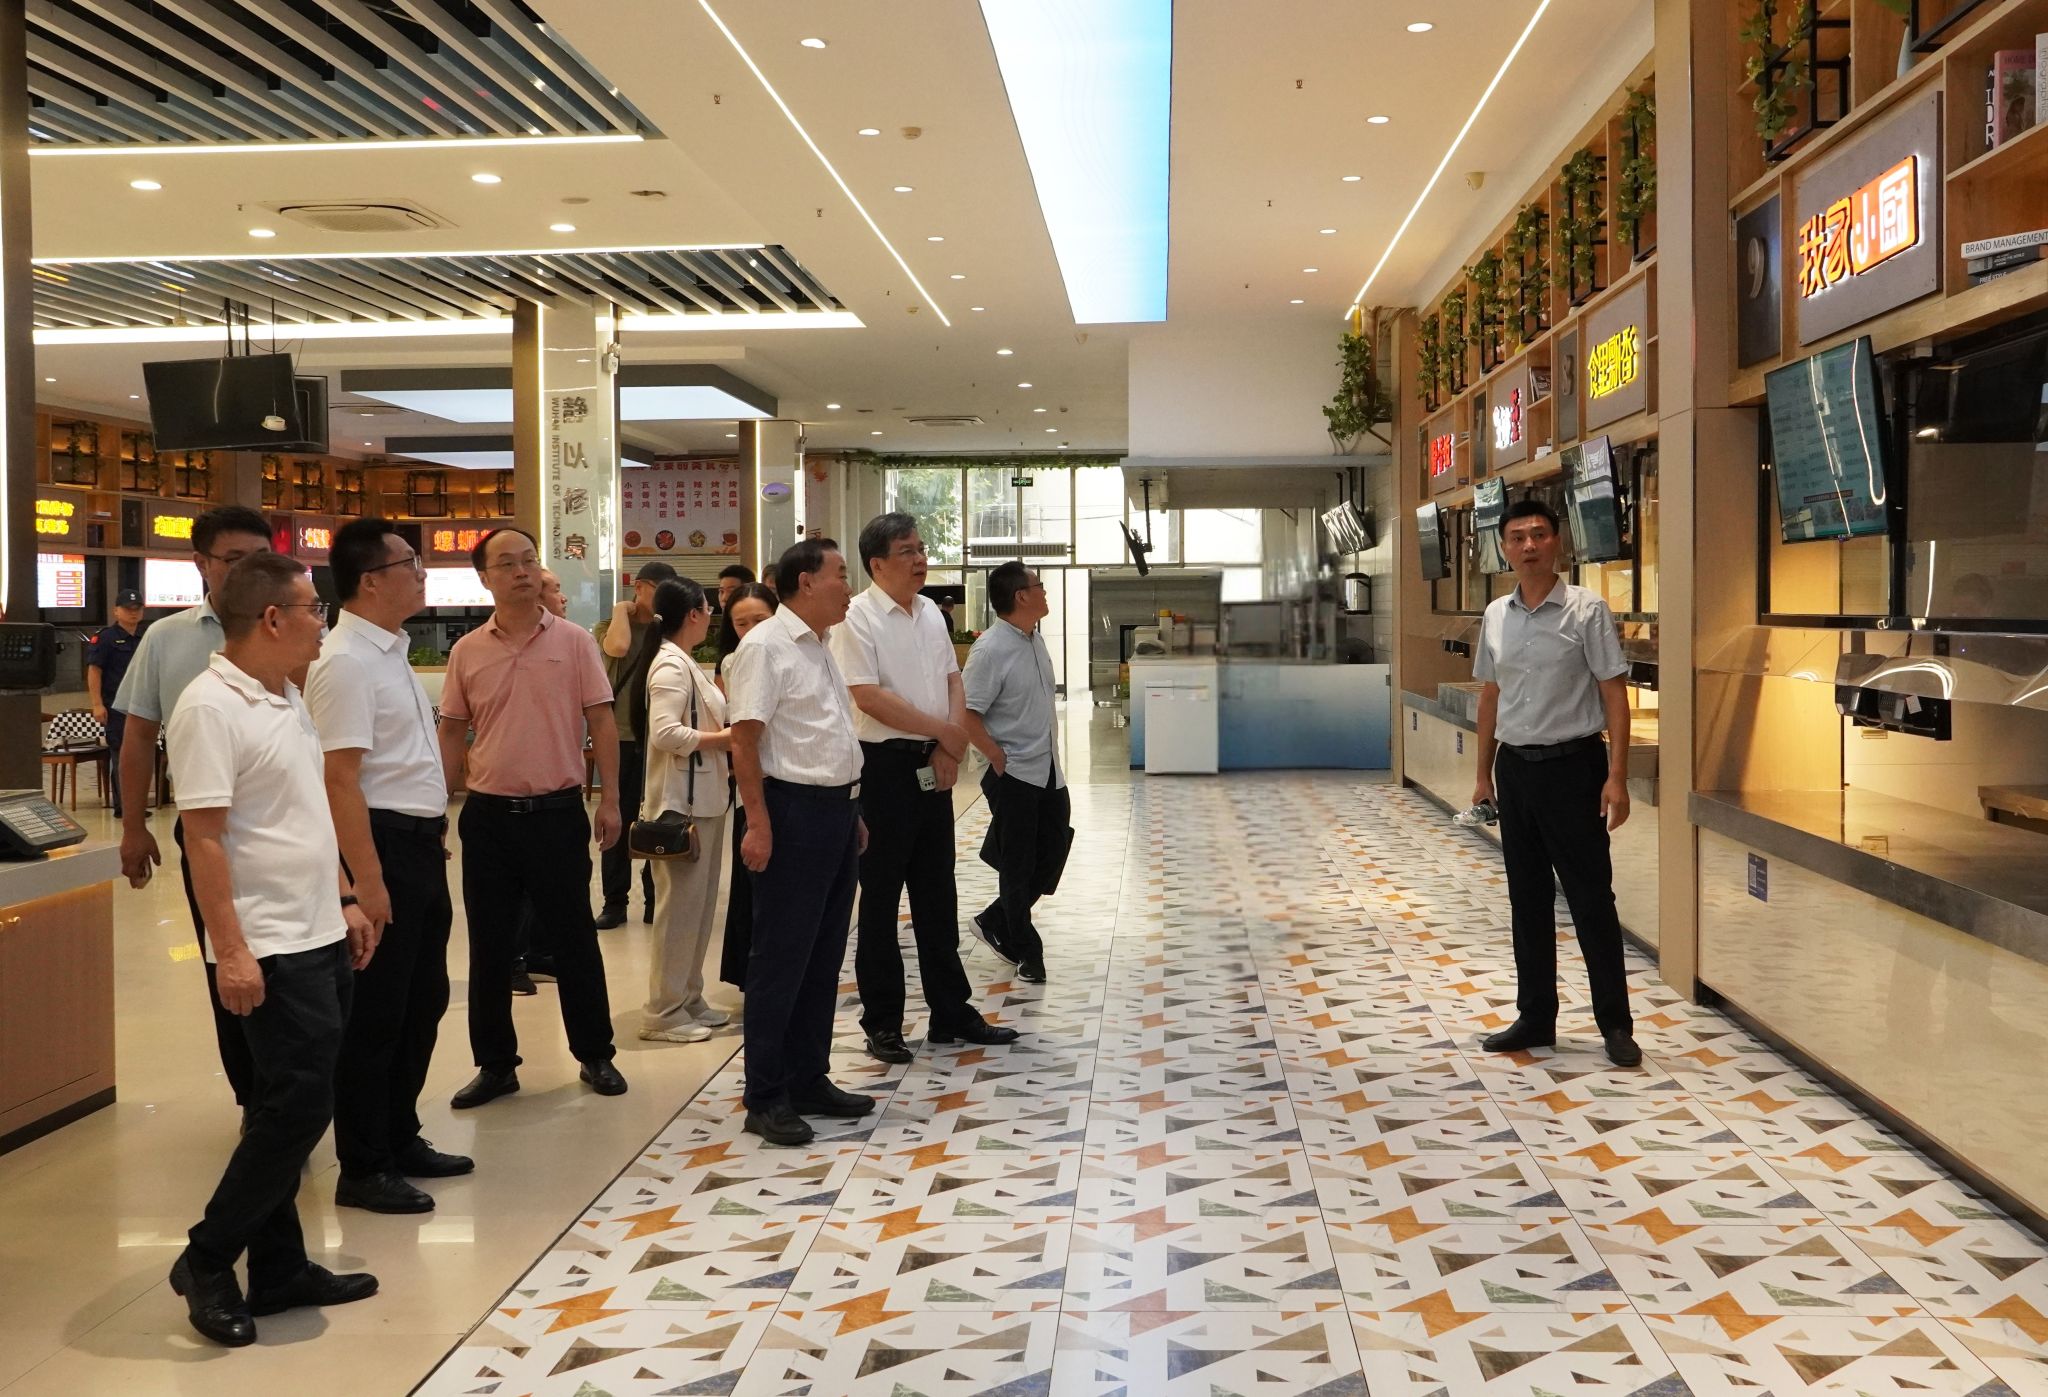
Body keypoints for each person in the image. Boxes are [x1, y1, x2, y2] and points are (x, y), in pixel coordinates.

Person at [164, 553, 379, 1348]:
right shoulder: (209, 707)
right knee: (299, 1105)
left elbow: (302, 811)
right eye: (313, 608)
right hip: (271, 942)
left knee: (280, 1104)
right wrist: (231, 951)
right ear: (273, 618)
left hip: (316, 927)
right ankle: (207, 1256)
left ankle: (280, 1267)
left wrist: (345, 896)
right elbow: (203, 837)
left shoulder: (285, 694)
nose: (323, 620)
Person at [305, 519, 471, 1216]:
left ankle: (400, 1135)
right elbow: (339, 780)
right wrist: (367, 882)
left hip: (417, 844)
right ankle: (363, 1163)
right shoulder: (345, 660)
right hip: (379, 848)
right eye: (410, 563)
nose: (422, 573)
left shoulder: (389, 650)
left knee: (421, 1000)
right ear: (371, 580)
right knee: (376, 1013)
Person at [437, 528, 627, 1106]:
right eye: (507, 564)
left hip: (556, 813)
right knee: (490, 945)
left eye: (528, 560)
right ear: (485, 578)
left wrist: (611, 799)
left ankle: (595, 1053)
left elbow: (602, 721)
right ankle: (496, 1065)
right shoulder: (467, 650)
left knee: (574, 938)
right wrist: (437, 808)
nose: (521, 571)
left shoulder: (574, 642)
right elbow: (451, 732)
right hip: (488, 816)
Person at [832, 512, 1019, 1065]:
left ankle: (950, 1010)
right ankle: (883, 1021)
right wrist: (945, 732)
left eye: (921, 548)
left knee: (938, 894)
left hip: (933, 763)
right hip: (883, 769)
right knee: (881, 900)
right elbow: (867, 697)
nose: (920, 559)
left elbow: (952, 680)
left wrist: (948, 746)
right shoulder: (856, 618)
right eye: (907, 551)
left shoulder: (931, 614)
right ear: (877, 564)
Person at [114, 503, 274, 1112]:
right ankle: (254, 1099)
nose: (249, 570)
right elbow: (137, 737)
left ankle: (300, 1092)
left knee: (307, 963)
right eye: (234, 559)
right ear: (201, 564)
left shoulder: (296, 627)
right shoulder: (167, 638)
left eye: (261, 558)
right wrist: (134, 827)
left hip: (289, 824)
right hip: (209, 829)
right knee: (226, 959)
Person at [1472, 498, 1640, 1068]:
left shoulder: (1586, 611)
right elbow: (1491, 695)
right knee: (1527, 899)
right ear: (1504, 548)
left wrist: (1617, 776)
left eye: (1539, 534)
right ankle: (1536, 1016)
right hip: (1515, 770)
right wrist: (1482, 775)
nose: (1528, 545)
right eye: (1517, 537)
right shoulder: (1496, 615)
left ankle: (1615, 1024)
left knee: (1591, 899)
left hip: (1575, 769)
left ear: (1556, 542)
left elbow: (1614, 693)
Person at [724, 539, 876, 1146]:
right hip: (790, 814)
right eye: (840, 574)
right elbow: (744, 741)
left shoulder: (820, 644)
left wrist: (851, 808)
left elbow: (827, 734)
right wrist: (759, 823)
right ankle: (765, 1095)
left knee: (822, 955)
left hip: (835, 812)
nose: (848, 585)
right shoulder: (765, 647)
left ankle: (809, 1077)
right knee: (780, 960)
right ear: (806, 581)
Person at [618, 579, 733, 1042]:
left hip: (704, 800)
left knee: (698, 909)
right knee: (680, 911)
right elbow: (666, 733)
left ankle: (688, 996)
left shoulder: (684, 661)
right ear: (694, 614)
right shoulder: (669, 665)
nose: (712, 616)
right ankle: (663, 1012)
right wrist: (725, 739)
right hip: (680, 806)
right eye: (708, 608)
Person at [962, 562, 1068, 986]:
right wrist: (994, 755)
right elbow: (966, 712)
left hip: (1047, 768)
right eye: (1039, 585)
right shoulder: (989, 650)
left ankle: (995, 919)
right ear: (1021, 596)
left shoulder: (1034, 639)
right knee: (1018, 863)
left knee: (1054, 847)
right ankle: (1026, 950)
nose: (1044, 591)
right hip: (1013, 772)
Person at [594, 562, 676, 928]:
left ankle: (654, 898)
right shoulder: (608, 626)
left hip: (660, 737)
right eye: (658, 588)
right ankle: (615, 901)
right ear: (640, 587)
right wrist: (619, 609)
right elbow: (619, 646)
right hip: (621, 737)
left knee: (658, 819)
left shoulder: (668, 629)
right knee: (618, 818)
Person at [510, 566, 573, 995]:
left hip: (558, 793)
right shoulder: (483, 648)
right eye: (555, 590)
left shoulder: (571, 642)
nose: (562, 597)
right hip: (510, 793)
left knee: (552, 888)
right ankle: (513, 961)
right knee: (517, 889)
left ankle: (539, 953)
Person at [715, 583, 779, 991]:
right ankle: (752, 980)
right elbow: (743, 735)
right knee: (752, 890)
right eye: (741, 623)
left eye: (760, 620)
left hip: (793, 787)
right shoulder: (734, 661)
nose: (751, 629)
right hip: (754, 788)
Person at [86, 589, 146, 820]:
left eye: (137, 609)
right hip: (116, 706)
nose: (133, 613)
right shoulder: (106, 638)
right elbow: (94, 671)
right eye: (128, 609)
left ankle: (137, 804)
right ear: (116, 611)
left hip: (142, 706)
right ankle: (124, 805)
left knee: (141, 756)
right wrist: (97, 704)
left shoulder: (146, 636)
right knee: (121, 755)